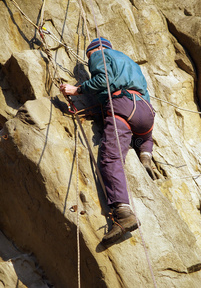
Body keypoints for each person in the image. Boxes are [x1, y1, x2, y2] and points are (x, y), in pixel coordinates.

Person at [60, 37, 156, 244]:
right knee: (142, 134)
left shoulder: (98, 55)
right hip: (145, 112)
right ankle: (145, 154)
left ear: (91, 52)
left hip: (122, 108)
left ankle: (123, 213)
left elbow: (103, 80)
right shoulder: (130, 62)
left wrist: (76, 90)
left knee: (111, 159)